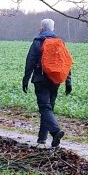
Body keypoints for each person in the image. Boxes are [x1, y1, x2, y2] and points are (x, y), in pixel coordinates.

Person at [22, 18, 72, 148]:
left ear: (42, 28)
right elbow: (66, 63)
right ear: (53, 28)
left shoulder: (38, 42)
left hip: (40, 79)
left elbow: (30, 62)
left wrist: (25, 79)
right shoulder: (60, 43)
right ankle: (42, 140)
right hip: (55, 80)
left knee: (45, 108)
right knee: (48, 109)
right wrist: (68, 82)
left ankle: (55, 132)